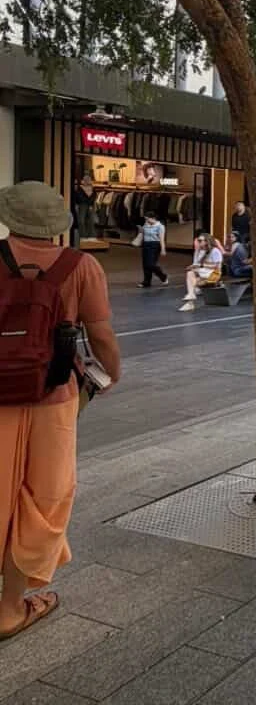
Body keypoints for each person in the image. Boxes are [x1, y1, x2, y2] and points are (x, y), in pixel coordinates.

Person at [0, 181, 121, 639]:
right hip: (52, 396)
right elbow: (101, 334)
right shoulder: (80, 266)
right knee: (42, 495)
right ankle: (10, 608)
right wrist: (112, 373)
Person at [178, 234, 224, 310]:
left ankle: (190, 300)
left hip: (213, 275)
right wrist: (195, 266)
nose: (198, 242)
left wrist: (200, 266)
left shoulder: (215, 251)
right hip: (205, 274)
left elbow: (217, 267)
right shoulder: (203, 251)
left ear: (206, 241)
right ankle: (190, 300)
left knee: (191, 280)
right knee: (191, 276)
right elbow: (200, 264)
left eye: (200, 241)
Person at [135, 209, 168, 287]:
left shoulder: (160, 226)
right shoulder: (146, 224)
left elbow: (161, 238)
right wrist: (140, 229)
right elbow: (142, 233)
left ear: (153, 218)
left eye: (147, 219)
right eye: (145, 219)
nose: (146, 220)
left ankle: (163, 276)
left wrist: (163, 249)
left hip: (154, 245)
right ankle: (146, 282)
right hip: (146, 244)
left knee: (151, 264)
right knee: (145, 264)